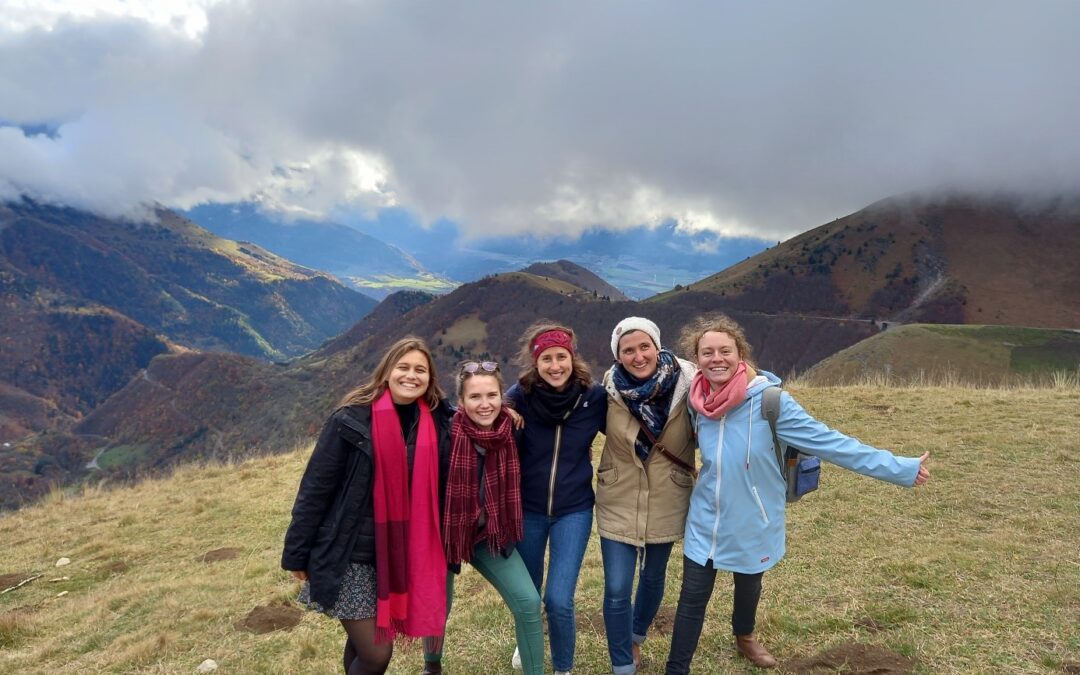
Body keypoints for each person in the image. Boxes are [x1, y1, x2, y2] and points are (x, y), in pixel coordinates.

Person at [664, 314, 931, 672]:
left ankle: (744, 637)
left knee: (748, 587)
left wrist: (901, 468)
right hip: (705, 519)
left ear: (740, 354)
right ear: (697, 359)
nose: (717, 359)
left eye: (725, 351)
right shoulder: (697, 403)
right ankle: (676, 668)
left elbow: (835, 444)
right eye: (707, 352)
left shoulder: (772, 404)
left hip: (754, 518)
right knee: (691, 598)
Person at [282, 336, 453, 675]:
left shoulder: (437, 422)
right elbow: (315, 489)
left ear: (430, 379)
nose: (411, 376)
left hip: (397, 556)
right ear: (387, 371)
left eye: (420, 370)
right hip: (350, 554)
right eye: (403, 367)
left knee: (361, 646)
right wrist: (296, 553)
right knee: (376, 654)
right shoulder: (350, 420)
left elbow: (479, 412)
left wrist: (506, 408)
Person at [505, 322, 607, 675]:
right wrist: (505, 411)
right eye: (546, 358)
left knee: (558, 599)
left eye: (560, 357)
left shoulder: (593, 397)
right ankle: (527, 642)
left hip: (574, 510)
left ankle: (563, 667)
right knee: (529, 595)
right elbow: (482, 408)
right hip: (528, 509)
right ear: (536, 363)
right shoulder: (519, 395)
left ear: (571, 357)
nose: (554, 366)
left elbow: (629, 421)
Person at [597, 317, 697, 674]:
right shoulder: (607, 391)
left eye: (644, 347)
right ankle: (622, 662)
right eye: (628, 350)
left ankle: (636, 636)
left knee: (653, 576)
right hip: (619, 494)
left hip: (668, 493)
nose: (638, 356)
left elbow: (736, 381)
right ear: (617, 355)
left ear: (657, 346)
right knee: (617, 587)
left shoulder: (690, 386)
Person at [442, 360, 545, 675]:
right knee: (437, 609)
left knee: (528, 603)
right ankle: (432, 666)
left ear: (504, 397)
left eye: (492, 395)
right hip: (444, 534)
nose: (485, 404)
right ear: (461, 401)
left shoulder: (512, 430)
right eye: (475, 397)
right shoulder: (444, 434)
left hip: (491, 533)